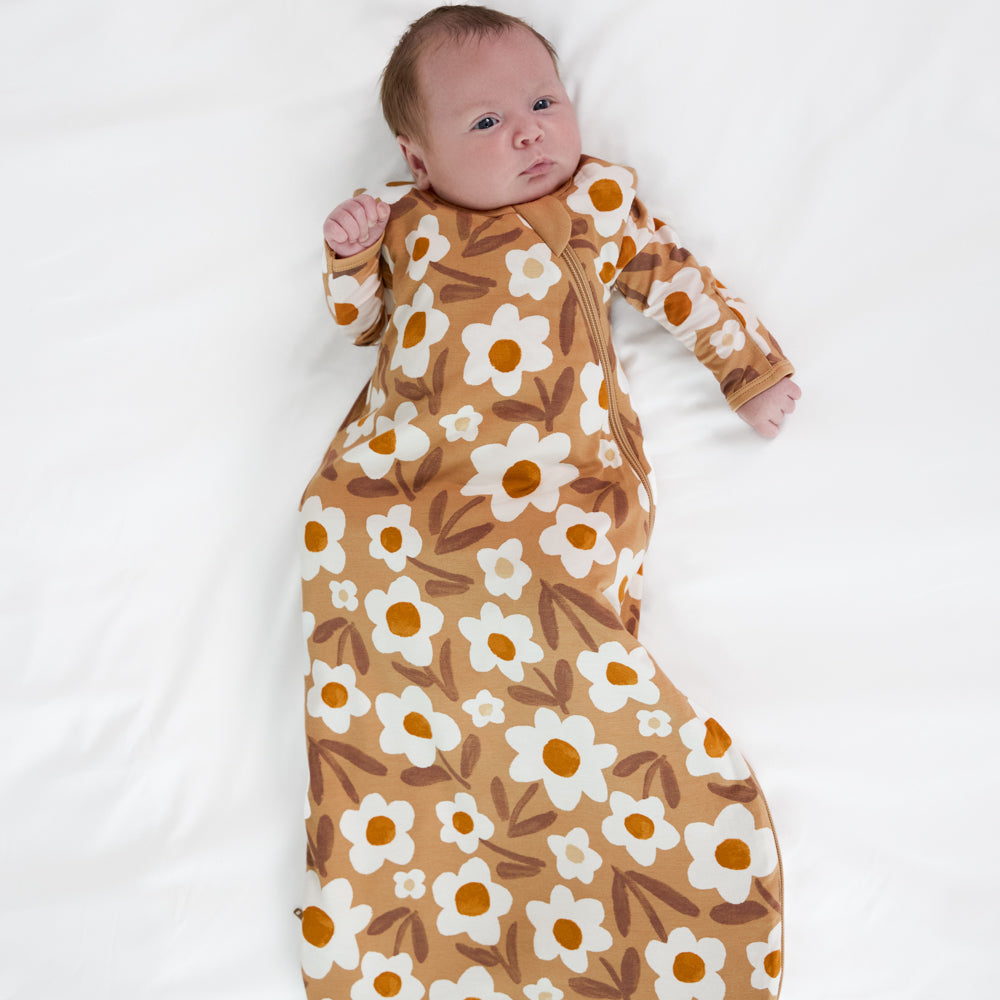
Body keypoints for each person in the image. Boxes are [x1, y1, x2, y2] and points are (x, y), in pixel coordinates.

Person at [299, 6, 798, 999]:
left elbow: (680, 285)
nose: (528, 130)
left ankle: (619, 899)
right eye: (483, 123)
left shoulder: (595, 204)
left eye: (541, 102)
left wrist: (748, 369)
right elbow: (358, 325)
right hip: (397, 490)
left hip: (556, 484)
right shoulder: (409, 223)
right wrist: (352, 256)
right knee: (402, 682)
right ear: (417, 154)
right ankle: (420, 918)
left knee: (557, 644)